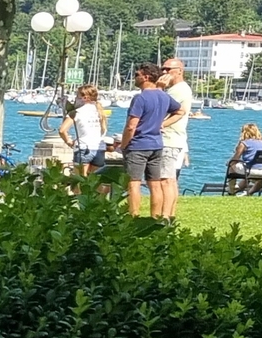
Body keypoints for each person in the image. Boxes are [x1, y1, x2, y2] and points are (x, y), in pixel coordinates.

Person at [117, 65, 179, 218]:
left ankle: (134, 216)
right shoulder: (164, 96)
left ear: (146, 77)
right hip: (157, 144)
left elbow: (131, 126)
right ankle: (155, 217)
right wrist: (161, 124)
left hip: (138, 145)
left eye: (137, 74)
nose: (135, 77)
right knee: (155, 183)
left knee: (133, 183)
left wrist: (123, 145)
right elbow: (180, 111)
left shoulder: (140, 98)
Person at [157, 58, 195, 218]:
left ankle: (164, 216)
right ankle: (169, 215)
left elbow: (162, 109)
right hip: (175, 139)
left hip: (168, 140)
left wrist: (158, 89)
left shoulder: (177, 90)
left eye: (168, 69)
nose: (164, 72)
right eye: (162, 69)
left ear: (180, 71)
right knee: (170, 180)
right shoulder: (179, 89)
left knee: (165, 180)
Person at [62, 85, 107, 171]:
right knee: (94, 180)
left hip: (84, 147)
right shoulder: (100, 111)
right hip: (99, 148)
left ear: (85, 98)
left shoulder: (77, 112)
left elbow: (62, 130)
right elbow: (103, 130)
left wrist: (69, 141)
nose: (75, 99)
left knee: (79, 180)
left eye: (77, 96)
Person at [228, 123, 262, 191]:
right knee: (246, 173)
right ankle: (236, 189)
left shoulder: (245, 143)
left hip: (251, 170)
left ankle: (231, 190)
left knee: (231, 166)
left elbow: (236, 158)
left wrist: (229, 163)